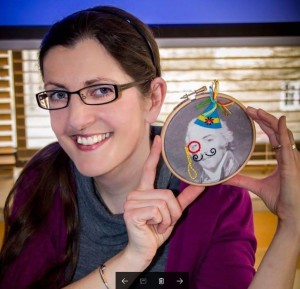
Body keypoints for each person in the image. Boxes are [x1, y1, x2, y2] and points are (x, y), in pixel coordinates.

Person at [0, 5, 299, 289]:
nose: (76, 120)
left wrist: (292, 225)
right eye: (57, 95)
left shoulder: (215, 195)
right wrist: (130, 261)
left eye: (102, 90)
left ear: (153, 99)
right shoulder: (44, 175)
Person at [185, 118, 239, 183]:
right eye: (194, 146)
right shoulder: (192, 181)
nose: (202, 150)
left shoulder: (237, 175)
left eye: (209, 140)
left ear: (225, 139)